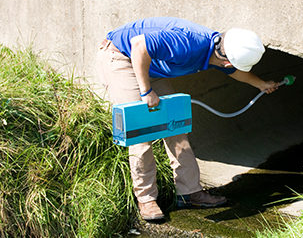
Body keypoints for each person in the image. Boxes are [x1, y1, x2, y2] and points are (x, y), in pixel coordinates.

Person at [96, 17, 278, 221]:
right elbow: (139, 45)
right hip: (123, 57)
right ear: (226, 61)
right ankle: (146, 200)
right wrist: (146, 90)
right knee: (142, 131)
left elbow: (235, 72)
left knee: (175, 126)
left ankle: (189, 192)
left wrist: (261, 84)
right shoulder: (189, 44)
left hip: (151, 65)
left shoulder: (219, 48)